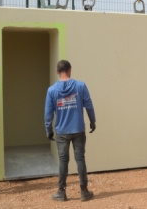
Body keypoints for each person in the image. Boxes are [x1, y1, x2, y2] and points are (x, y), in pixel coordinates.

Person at [44, 60, 96, 202]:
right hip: (78, 128)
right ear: (70, 70)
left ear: (57, 72)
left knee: (63, 161)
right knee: (80, 158)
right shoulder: (80, 86)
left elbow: (48, 114)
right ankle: (84, 191)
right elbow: (89, 105)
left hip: (62, 131)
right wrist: (93, 120)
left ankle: (61, 192)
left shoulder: (52, 90)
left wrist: (48, 129)